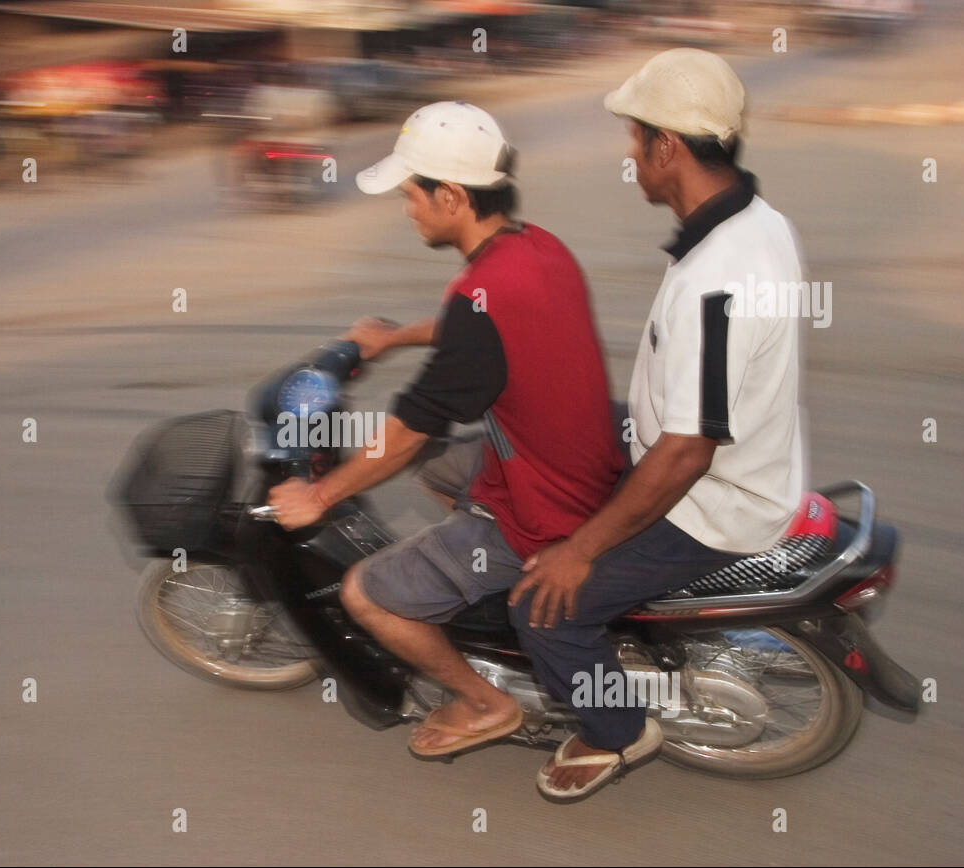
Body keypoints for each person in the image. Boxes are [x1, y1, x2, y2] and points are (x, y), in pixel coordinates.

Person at [265, 101, 626, 775]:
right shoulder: (537, 248)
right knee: (437, 470)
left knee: (364, 592)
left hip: (543, 511)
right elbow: (477, 316)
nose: (407, 209)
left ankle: (485, 701)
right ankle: (470, 589)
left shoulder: (481, 295)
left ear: (451, 195)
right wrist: (393, 336)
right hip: (581, 459)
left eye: (411, 194)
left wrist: (320, 494)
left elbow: (407, 431)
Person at [509, 48, 809, 800]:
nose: (631, 155)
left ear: (667, 147)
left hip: (713, 502)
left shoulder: (720, 278)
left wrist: (579, 551)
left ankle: (616, 731)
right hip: (715, 455)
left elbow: (686, 453)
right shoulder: (755, 218)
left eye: (635, 138)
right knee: (540, 432)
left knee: (542, 610)